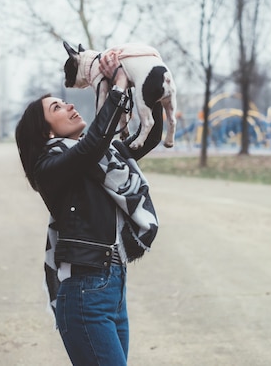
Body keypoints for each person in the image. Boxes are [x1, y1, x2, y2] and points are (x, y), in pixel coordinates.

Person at [15, 50, 163, 365]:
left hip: (112, 287)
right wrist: (118, 86)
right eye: (57, 107)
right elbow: (93, 142)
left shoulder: (98, 159)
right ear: (46, 132)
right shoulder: (51, 166)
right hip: (85, 294)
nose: (69, 104)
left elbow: (148, 139)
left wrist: (151, 89)